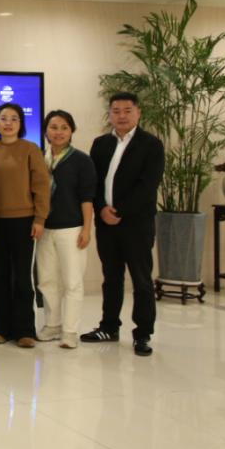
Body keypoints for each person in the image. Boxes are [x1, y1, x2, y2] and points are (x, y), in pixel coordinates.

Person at [84, 92, 165, 356]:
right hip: (106, 224)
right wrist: (101, 209)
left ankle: (143, 334)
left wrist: (119, 211)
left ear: (138, 113)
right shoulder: (100, 144)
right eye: (116, 111)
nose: (121, 116)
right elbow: (93, 182)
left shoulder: (151, 145)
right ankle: (109, 327)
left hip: (136, 225)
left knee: (141, 280)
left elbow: (147, 186)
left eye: (127, 110)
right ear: (110, 114)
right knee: (111, 278)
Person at [0, 103, 51, 348]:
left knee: (22, 277)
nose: (8, 123)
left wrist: (40, 219)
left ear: (21, 123)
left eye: (14, 118)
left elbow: (41, 186)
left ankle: (24, 330)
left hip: (24, 221)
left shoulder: (30, 149)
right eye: (3, 118)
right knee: (0, 276)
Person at [35, 110, 96, 349]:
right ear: (46, 131)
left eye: (64, 127)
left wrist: (87, 229)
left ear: (72, 131)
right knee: (47, 280)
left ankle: (70, 331)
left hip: (71, 228)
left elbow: (87, 198)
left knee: (72, 282)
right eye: (53, 127)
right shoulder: (39, 158)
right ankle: (52, 324)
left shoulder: (82, 160)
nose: (58, 132)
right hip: (44, 228)